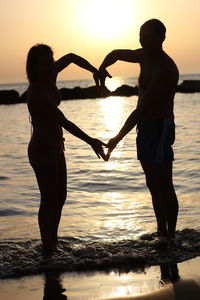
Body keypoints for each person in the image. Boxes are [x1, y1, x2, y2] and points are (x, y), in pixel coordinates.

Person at [99, 19, 179, 240]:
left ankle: (170, 235)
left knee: (164, 182)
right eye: (140, 35)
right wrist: (102, 67)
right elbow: (116, 53)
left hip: (159, 126)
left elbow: (141, 110)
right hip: (143, 127)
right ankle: (160, 230)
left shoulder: (166, 69)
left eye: (147, 36)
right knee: (152, 183)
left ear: (161, 38)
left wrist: (116, 139)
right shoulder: (143, 56)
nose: (142, 39)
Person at [26, 44, 106, 255]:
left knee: (60, 196)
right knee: (48, 198)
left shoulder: (50, 75)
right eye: (43, 63)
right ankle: (47, 248)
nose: (49, 66)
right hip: (42, 150)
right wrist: (91, 140)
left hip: (56, 146)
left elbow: (71, 57)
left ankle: (53, 241)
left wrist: (94, 70)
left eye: (50, 61)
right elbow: (63, 121)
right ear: (34, 66)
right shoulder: (36, 93)